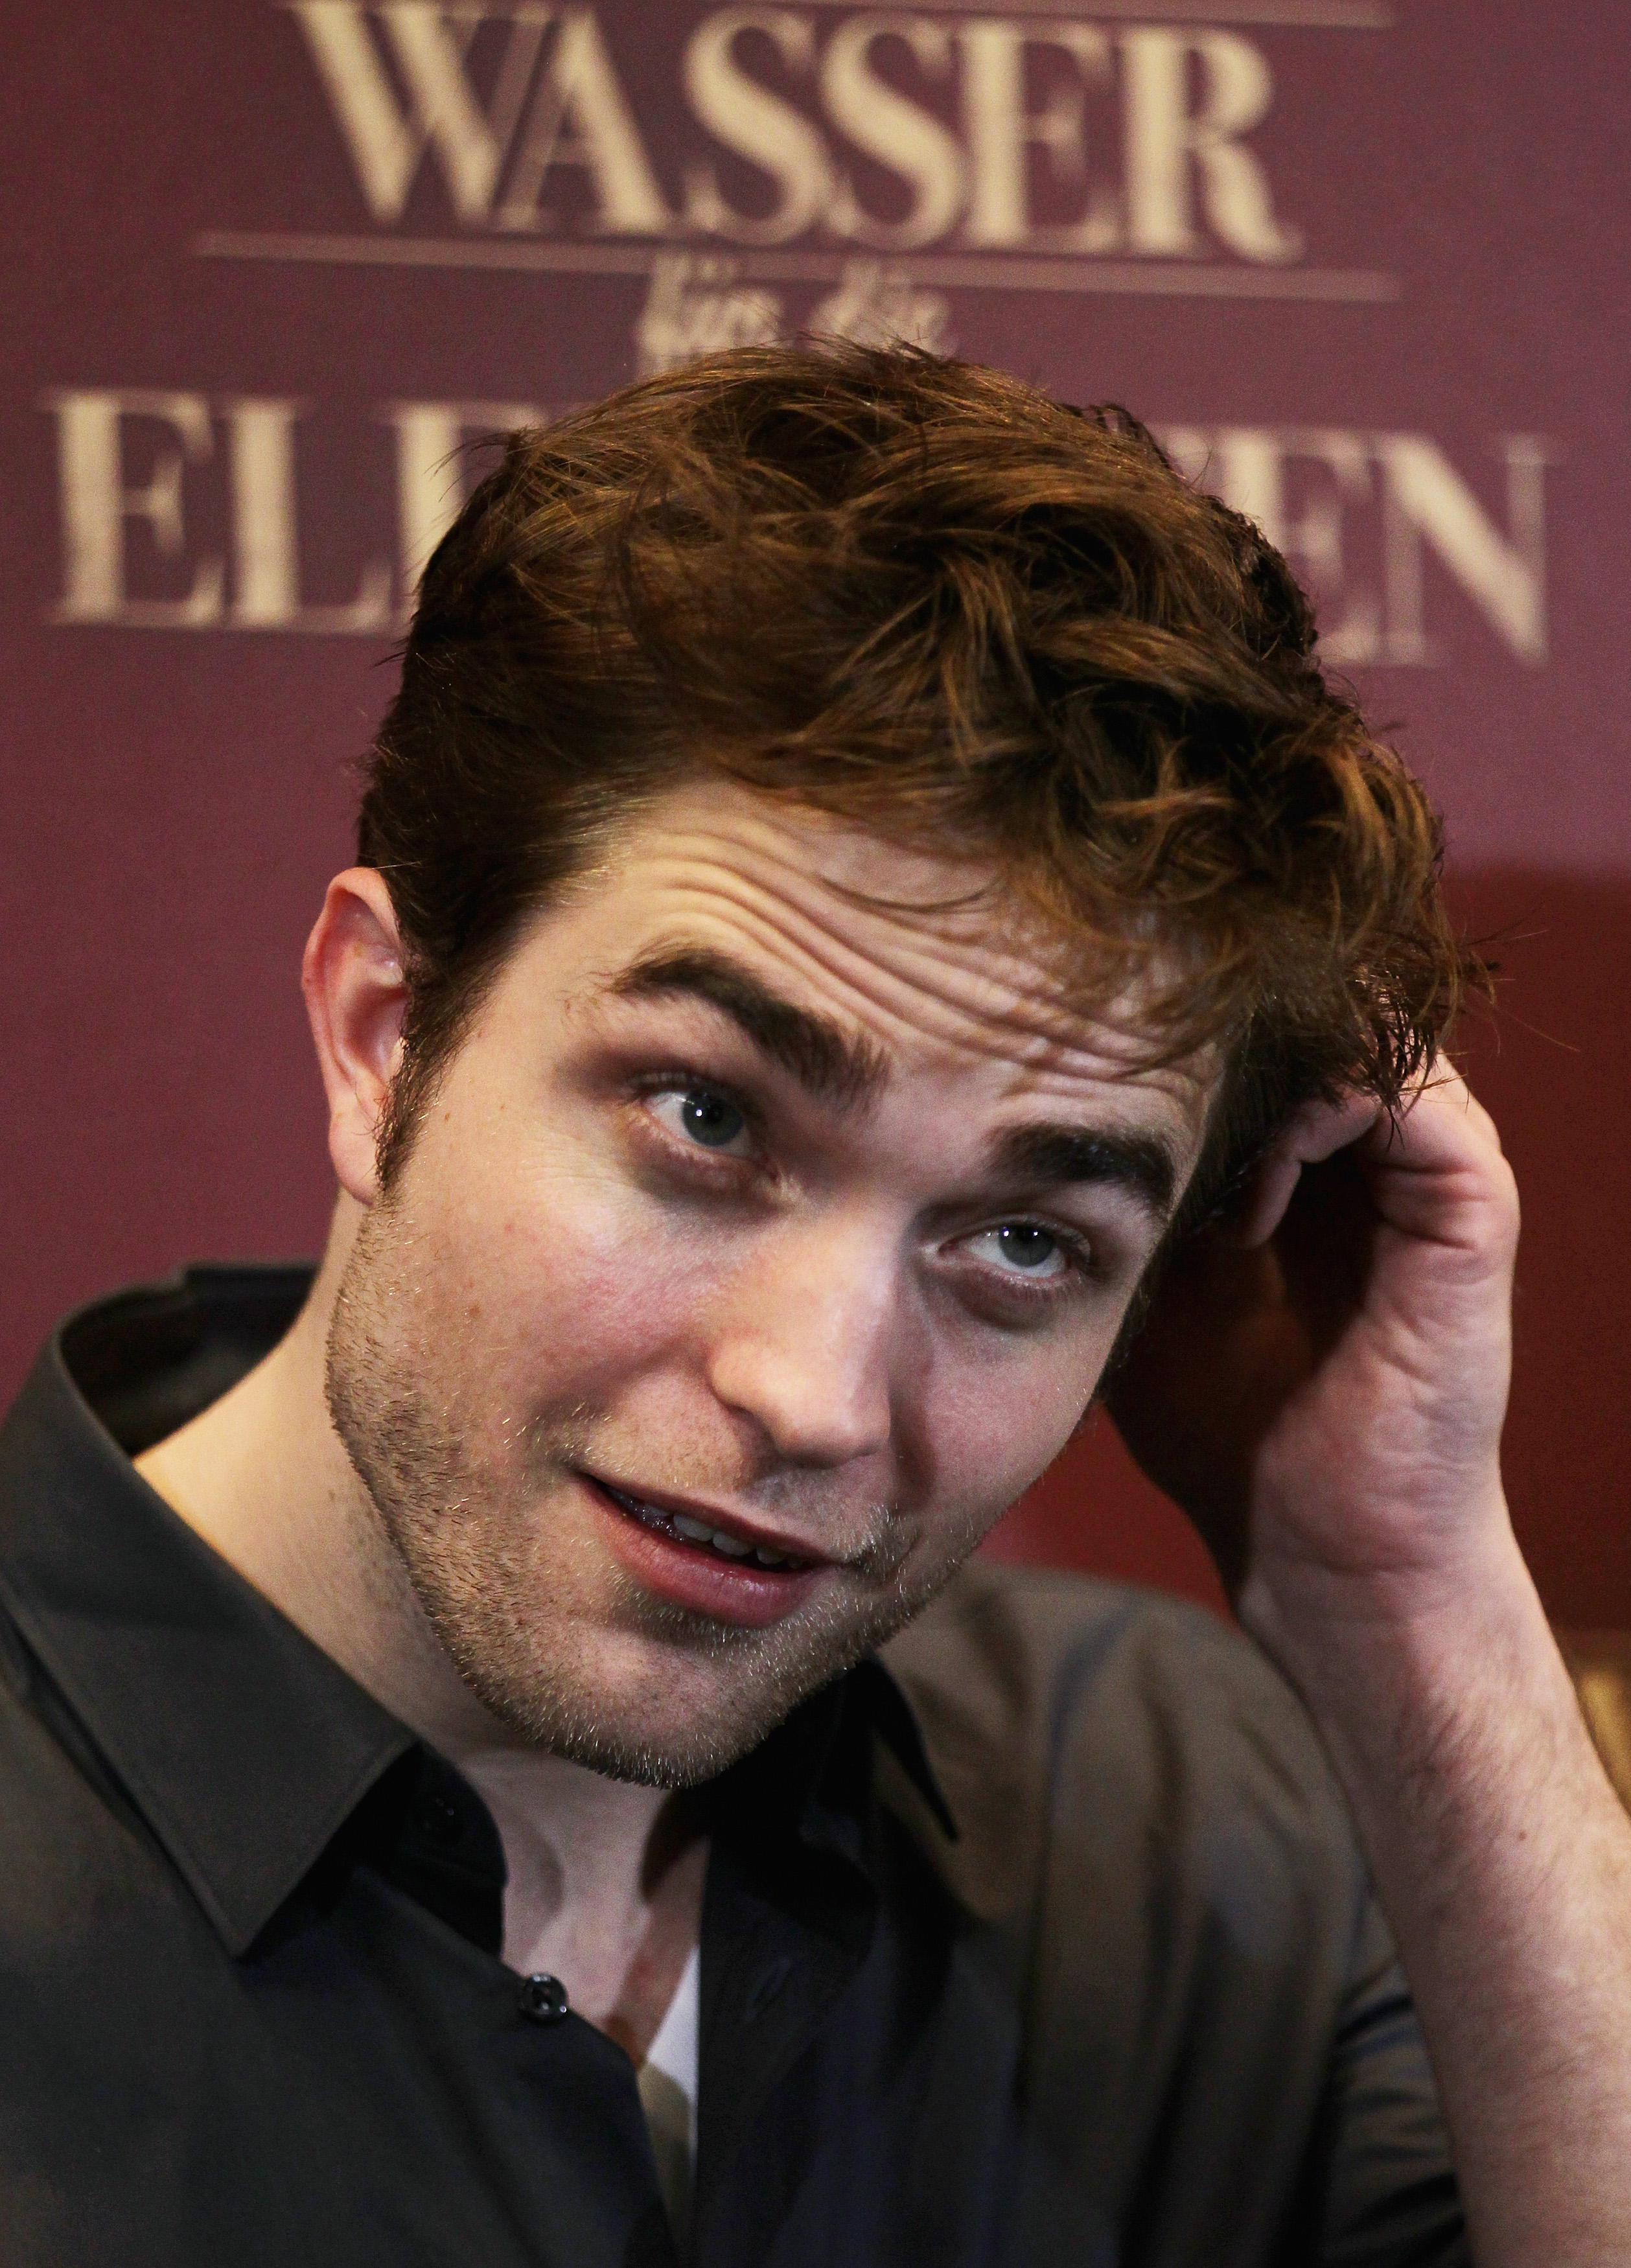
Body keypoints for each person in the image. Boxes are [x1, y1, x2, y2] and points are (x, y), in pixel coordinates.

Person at [1, 345, 1626, 2268]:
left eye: (1024, 1243)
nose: (817, 1395)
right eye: (707, 1120)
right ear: (384, 1034)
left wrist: (1403, 1594)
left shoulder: (1181, 1805)